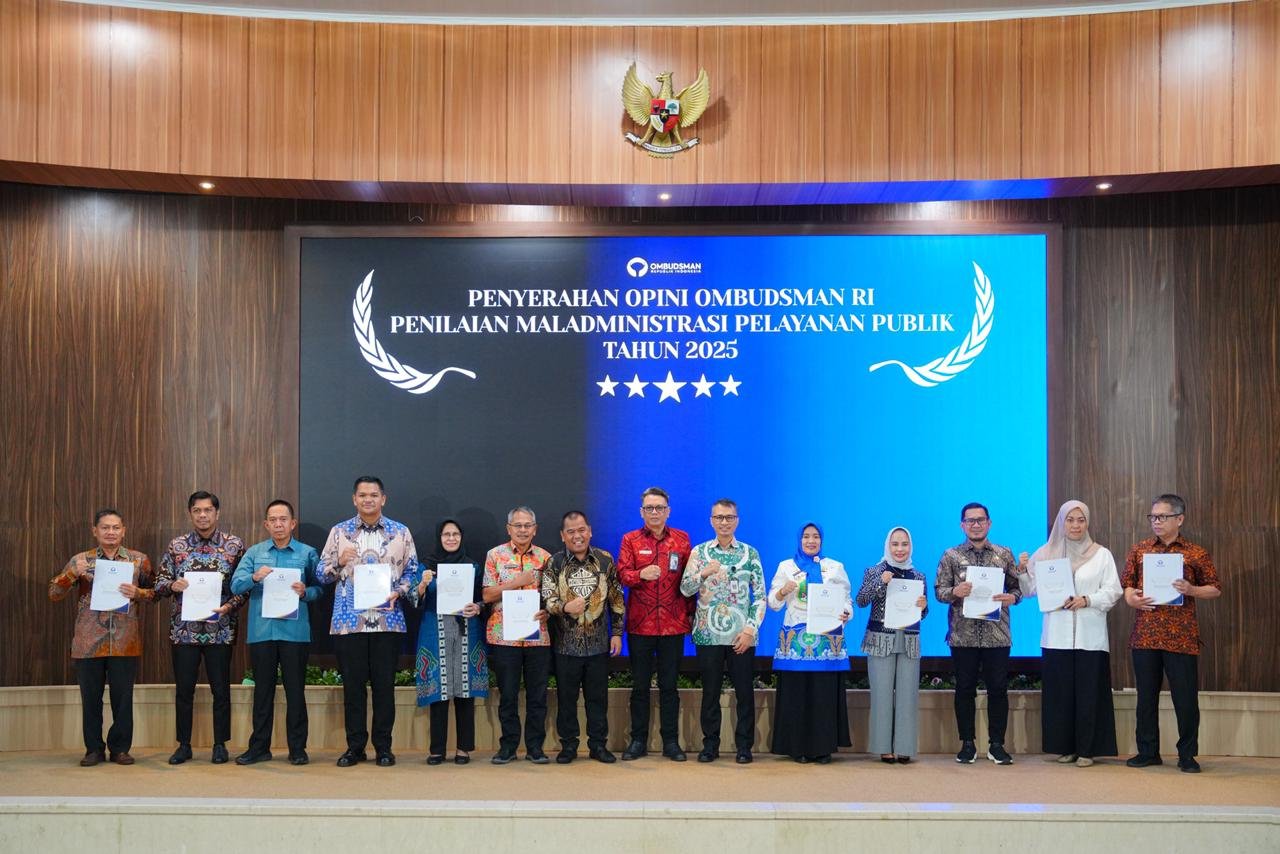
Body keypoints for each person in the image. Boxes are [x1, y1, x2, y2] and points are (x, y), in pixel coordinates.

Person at [317, 476, 419, 767]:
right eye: (362, 495)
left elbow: (413, 571)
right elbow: (320, 574)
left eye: (373, 494)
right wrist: (338, 561)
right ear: (354, 499)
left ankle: (384, 747)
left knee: (384, 687)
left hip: (388, 621)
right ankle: (355, 747)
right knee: (353, 688)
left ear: (383, 499)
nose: (368, 499)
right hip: (349, 622)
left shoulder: (400, 532)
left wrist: (399, 591)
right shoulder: (340, 532)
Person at [1015, 500, 1121, 767]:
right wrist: (1022, 571)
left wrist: (1088, 599)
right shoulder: (1046, 553)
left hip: (1090, 637)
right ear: (1061, 523)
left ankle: (1087, 750)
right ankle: (1065, 747)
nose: (1075, 525)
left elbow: (1113, 591)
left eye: (1080, 520)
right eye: (1070, 520)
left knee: (1089, 694)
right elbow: (1029, 591)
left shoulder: (1101, 555)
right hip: (1056, 637)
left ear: (1087, 522)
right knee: (1060, 695)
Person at [1121, 493, 1221, 773]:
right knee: (1146, 698)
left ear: (1180, 519)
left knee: (1186, 700)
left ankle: (1187, 755)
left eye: (1162, 517)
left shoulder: (1195, 553)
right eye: (1153, 517)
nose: (1156, 521)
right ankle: (1148, 752)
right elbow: (1126, 585)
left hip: (1181, 637)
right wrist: (1131, 599)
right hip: (1146, 635)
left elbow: (1215, 588)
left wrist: (1192, 590)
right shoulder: (1139, 550)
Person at [48, 508, 154, 766]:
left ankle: (120, 749)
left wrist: (138, 593)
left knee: (123, 699)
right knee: (91, 699)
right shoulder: (80, 560)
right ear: (95, 531)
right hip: (88, 641)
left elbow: (155, 592)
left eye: (116, 527)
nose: (111, 532)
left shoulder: (138, 560)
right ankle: (93, 749)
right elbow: (54, 593)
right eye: (105, 527)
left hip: (125, 641)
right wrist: (72, 574)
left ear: (124, 531)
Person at [155, 491, 247, 765]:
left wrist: (229, 606)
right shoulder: (177, 546)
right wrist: (172, 585)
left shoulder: (234, 545)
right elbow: (159, 583)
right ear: (190, 514)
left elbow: (242, 588)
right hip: (184, 631)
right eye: (197, 510)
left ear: (217, 513)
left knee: (221, 690)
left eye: (208, 510)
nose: (203, 515)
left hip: (221, 629)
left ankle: (220, 744)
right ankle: (183, 745)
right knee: (184, 691)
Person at [230, 499, 322, 766]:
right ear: (266, 524)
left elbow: (321, 589)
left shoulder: (307, 553)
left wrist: (305, 592)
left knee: (295, 692)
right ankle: (259, 747)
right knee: (262, 693)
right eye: (273, 520)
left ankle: (297, 749)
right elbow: (235, 585)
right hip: (262, 632)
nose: (278, 524)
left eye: (283, 519)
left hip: (295, 633)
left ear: (293, 523)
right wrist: (254, 577)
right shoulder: (255, 553)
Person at [934, 502, 1022, 765]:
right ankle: (967, 744)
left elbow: (1017, 588)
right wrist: (955, 592)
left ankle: (997, 745)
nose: (976, 524)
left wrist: (1012, 598)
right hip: (963, 636)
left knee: (998, 690)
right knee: (964, 690)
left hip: (997, 635)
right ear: (962, 525)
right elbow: (939, 591)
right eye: (970, 521)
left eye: (980, 520)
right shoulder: (951, 555)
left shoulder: (1004, 554)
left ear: (989, 523)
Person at [680, 498, 765, 764]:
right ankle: (710, 745)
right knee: (710, 693)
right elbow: (685, 589)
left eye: (729, 517)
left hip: (742, 637)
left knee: (745, 693)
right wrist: (703, 574)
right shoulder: (699, 552)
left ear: (737, 520)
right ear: (711, 521)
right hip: (708, 635)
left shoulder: (750, 553)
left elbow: (760, 596)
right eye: (719, 517)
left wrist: (750, 630)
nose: (724, 522)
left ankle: (744, 746)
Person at [542, 511, 625, 764]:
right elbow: (547, 598)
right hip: (566, 645)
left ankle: (598, 745)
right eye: (571, 532)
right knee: (566, 700)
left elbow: (616, 598)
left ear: (589, 531)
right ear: (563, 536)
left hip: (599, 644)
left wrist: (617, 633)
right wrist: (564, 607)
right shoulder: (554, 562)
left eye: (581, 530)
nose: (577, 536)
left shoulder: (605, 560)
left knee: (598, 699)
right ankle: (568, 746)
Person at [617, 487, 693, 762]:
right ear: (641, 512)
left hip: (673, 624)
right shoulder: (630, 539)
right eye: (649, 508)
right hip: (641, 625)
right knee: (640, 686)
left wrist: (691, 615)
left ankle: (671, 742)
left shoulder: (682, 540)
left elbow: (689, 581)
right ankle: (638, 740)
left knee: (669, 686)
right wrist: (641, 574)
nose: (654, 512)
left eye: (659, 507)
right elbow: (622, 575)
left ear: (668, 511)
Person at [768, 522, 852, 764]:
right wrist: (782, 591)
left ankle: (822, 748)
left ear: (821, 540)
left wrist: (846, 613)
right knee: (796, 695)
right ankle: (797, 748)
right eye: (806, 536)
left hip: (826, 643)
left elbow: (847, 600)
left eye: (815, 537)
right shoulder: (786, 566)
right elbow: (773, 603)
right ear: (799, 539)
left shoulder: (834, 567)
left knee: (823, 696)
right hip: (795, 643)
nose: (811, 541)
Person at [411, 519, 487, 766]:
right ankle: (437, 750)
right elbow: (413, 599)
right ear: (439, 537)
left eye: (456, 534)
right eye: (446, 534)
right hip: (435, 630)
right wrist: (423, 583)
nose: (451, 538)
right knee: (439, 690)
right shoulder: (427, 566)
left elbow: (484, 598)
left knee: (465, 690)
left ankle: (463, 748)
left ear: (461, 537)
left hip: (467, 630)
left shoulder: (473, 566)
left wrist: (478, 607)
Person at [482, 506, 552, 765]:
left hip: (537, 636)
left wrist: (548, 611)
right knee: (508, 695)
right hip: (504, 637)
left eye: (527, 525)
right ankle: (508, 746)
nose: (523, 530)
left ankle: (535, 747)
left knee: (537, 696)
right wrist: (517, 582)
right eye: (518, 525)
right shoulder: (495, 555)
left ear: (535, 529)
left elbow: (553, 596)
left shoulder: (546, 558)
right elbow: (487, 595)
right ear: (508, 528)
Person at [856, 526, 929, 764]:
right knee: (882, 695)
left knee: (908, 695)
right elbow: (861, 600)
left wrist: (923, 606)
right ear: (888, 545)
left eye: (904, 544)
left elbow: (923, 613)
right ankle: (883, 748)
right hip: (880, 639)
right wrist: (881, 582)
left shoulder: (918, 576)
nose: (900, 549)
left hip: (909, 640)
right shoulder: (874, 571)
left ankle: (905, 747)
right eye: (895, 544)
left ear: (910, 547)